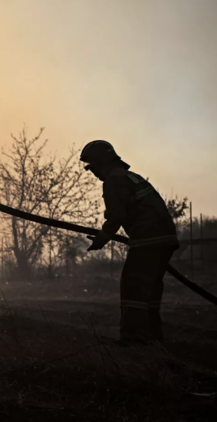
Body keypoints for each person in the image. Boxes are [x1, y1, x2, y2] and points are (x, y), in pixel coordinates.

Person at [80, 140, 179, 345]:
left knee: (133, 285)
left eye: (92, 167)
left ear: (102, 162)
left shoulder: (114, 180)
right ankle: (153, 335)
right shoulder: (130, 177)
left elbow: (116, 215)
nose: (93, 173)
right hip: (165, 238)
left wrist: (102, 238)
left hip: (147, 238)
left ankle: (134, 337)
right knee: (150, 287)